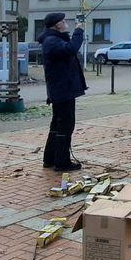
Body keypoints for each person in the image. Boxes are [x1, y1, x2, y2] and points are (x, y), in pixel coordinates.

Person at [38, 12, 87, 171]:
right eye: (63, 21)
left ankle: (50, 158)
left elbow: (67, 45)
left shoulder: (53, 39)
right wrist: (78, 31)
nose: (66, 23)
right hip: (62, 90)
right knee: (65, 125)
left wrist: (70, 34)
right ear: (56, 25)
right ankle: (62, 162)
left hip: (62, 89)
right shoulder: (51, 41)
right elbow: (71, 49)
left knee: (57, 124)